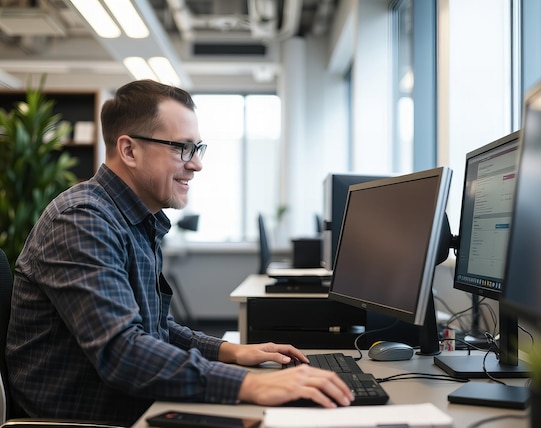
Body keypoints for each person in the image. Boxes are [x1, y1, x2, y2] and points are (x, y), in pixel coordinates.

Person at [6, 79, 354, 426]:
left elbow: (153, 327)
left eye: (197, 148)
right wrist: (251, 384)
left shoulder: (135, 218)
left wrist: (229, 351)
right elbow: (122, 352)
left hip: (131, 405)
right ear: (129, 150)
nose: (197, 164)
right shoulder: (82, 220)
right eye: (181, 148)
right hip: (83, 421)